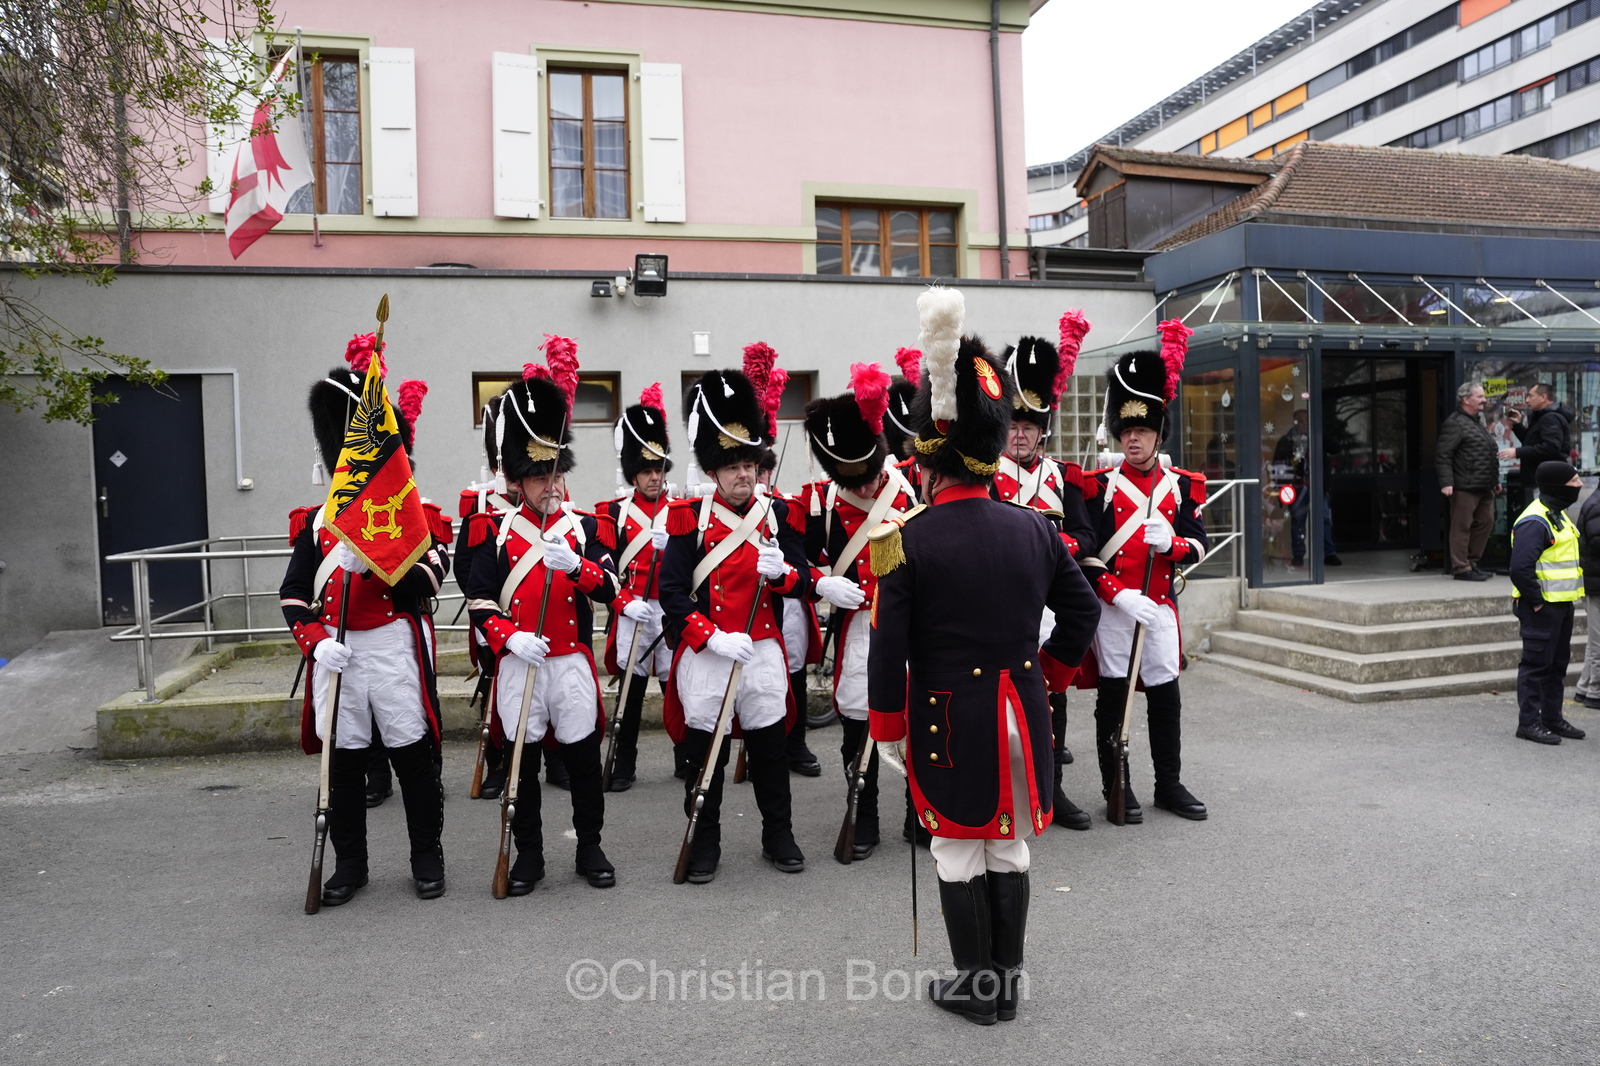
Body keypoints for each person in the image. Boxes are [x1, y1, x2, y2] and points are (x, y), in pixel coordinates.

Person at [868, 287, 1100, 1026]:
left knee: (958, 854)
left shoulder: (907, 538)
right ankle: (1006, 983)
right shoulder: (1035, 528)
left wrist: (886, 728)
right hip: (1024, 713)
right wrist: (1051, 675)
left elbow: (887, 650)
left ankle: (979, 991)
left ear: (929, 460)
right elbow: (1083, 611)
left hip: (945, 720)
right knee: (1010, 850)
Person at [280, 340, 452, 906]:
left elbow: (426, 588)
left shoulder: (417, 518)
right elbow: (292, 594)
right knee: (345, 764)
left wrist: (378, 556)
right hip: (336, 654)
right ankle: (350, 864)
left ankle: (427, 853)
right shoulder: (315, 524)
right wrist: (313, 645)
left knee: (411, 757)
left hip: (390, 647)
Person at [466, 350, 623, 893]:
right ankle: (529, 852)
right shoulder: (488, 529)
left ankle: (590, 845)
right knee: (522, 766)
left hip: (571, 662)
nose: (548, 484)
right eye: (537, 476)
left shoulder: (585, 526)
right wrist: (509, 638)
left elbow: (612, 589)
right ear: (517, 479)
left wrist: (576, 566)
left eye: (554, 472)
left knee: (582, 761)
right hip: (520, 663)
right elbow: (480, 600)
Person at [659, 363, 811, 883]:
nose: (743, 473)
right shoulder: (688, 518)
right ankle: (704, 842)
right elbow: (672, 595)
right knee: (707, 758)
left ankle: (779, 834)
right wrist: (710, 635)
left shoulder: (780, 513)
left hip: (764, 650)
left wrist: (784, 574)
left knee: (770, 752)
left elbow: (804, 578)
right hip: (710, 654)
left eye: (749, 463)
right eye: (732, 466)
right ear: (712, 471)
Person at [1076, 321, 1210, 824]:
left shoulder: (1182, 485)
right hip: (1116, 608)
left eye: (1143, 431)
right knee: (1113, 696)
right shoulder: (1098, 486)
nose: (1133, 439)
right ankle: (1117, 784)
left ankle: (1168, 784)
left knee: (1165, 696)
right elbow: (1087, 555)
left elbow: (1199, 544)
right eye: (1127, 431)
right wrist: (1116, 595)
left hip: (1160, 607)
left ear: (1157, 434)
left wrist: (1171, 543)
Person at [798, 362, 919, 861]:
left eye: (871, 478)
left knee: (916, 724)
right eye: (858, 482)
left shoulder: (907, 491)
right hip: (855, 634)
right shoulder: (818, 503)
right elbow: (795, 561)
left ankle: (920, 813)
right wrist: (823, 582)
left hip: (908, 629)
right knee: (856, 727)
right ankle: (863, 814)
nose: (868, 489)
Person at [994, 315, 1098, 831]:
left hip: (1050, 605)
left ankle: (1050, 790)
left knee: (1051, 702)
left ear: (1042, 431)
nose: (1019, 435)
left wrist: (1054, 545)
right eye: (1012, 426)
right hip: (999, 603)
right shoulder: (986, 476)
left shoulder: (1063, 476)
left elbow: (1086, 535)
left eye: (1029, 427)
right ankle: (1003, 789)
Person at [593, 384, 676, 792]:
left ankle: (686, 758)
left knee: (678, 690)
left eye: (659, 470)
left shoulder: (681, 510)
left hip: (672, 610)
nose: (655, 478)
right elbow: (604, 566)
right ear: (633, 474)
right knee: (631, 694)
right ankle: (623, 764)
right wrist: (624, 604)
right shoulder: (612, 513)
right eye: (647, 471)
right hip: (634, 612)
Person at [457, 392, 519, 799]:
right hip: (493, 612)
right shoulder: (480, 501)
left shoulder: (552, 494)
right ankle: (498, 763)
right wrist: (492, 607)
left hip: (538, 611)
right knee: (496, 691)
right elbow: (465, 565)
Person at [756, 448, 824, 777]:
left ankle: (796, 745)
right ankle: (760, 750)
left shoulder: (786, 509)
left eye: (762, 471)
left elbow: (802, 564)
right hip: (750, 611)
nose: (757, 478)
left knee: (794, 675)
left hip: (788, 602)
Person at [1509, 460, 1587, 745]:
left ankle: (1551, 718)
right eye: (1574, 482)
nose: (1579, 485)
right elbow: (1519, 568)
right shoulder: (1535, 520)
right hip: (1541, 607)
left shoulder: (1557, 515)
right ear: (1557, 486)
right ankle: (1528, 723)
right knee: (1536, 665)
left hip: (1561, 605)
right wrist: (1538, 602)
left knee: (1556, 665)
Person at [1435, 381, 1500, 582]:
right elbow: (1443, 455)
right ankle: (1461, 568)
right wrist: (1447, 483)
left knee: (1486, 522)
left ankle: (1471, 562)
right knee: (1461, 526)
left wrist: (1495, 480)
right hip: (1464, 486)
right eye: (1480, 397)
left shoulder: (1476, 421)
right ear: (1466, 399)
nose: (1484, 400)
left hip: (1485, 486)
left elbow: (1487, 452)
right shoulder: (1454, 423)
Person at [1501, 384, 1573, 510]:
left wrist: (1518, 452)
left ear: (1543, 397)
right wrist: (1518, 426)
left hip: (1544, 483)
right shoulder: (1542, 417)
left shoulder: (1551, 418)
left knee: (1539, 519)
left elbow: (1550, 448)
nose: (1527, 400)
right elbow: (1532, 443)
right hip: (1538, 481)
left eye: (1530, 396)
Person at [1574, 483, 1600, 711]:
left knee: (1595, 640)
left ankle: (1586, 688)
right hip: (1595, 583)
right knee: (1598, 641)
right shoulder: (1597, 505)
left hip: (1594, 581)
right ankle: (1596, 691)